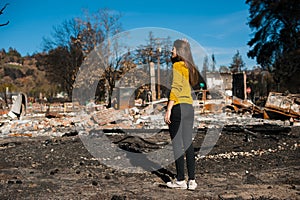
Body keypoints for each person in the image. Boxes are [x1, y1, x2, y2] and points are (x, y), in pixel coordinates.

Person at [164, 39, 199, 190]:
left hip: (178, 107)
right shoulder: (189, 68)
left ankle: (180, 180)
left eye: (173, 49)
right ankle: (192, 180)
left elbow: (176, 87)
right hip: (188, 108)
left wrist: (169, 108)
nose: (171, 51)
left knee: (177, 144)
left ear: (178, 51)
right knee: (188, 143)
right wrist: (186, 45)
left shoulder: (177, 65)